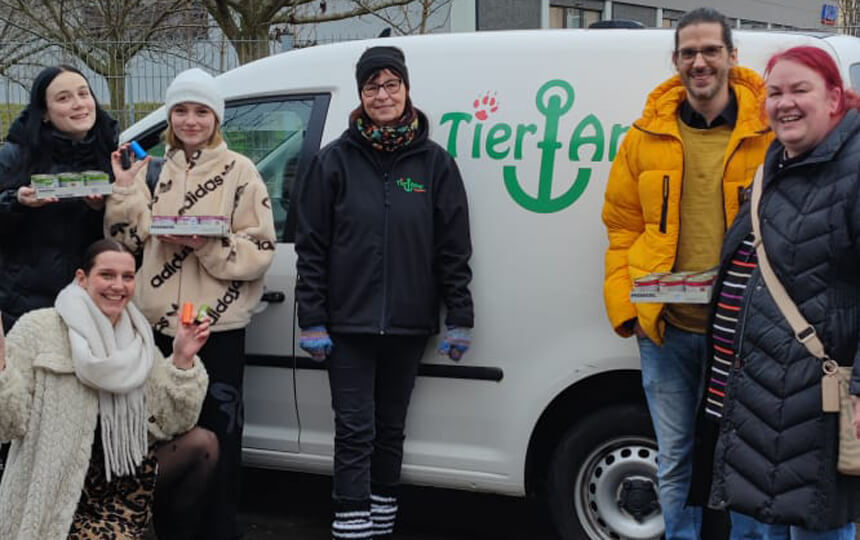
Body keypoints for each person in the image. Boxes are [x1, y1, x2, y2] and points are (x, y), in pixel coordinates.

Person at [601, 8, 773, 540]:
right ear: (675, 60)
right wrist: (627, 309)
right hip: (669, 330)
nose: (700, 62)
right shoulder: (643, 137)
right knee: (675, 460)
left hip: (747, 333)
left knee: (745, 461)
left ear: (731, 57)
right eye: (689, 53)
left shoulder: (768, 130)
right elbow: (621, 227)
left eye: (710, 51)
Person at [294, 46, 474, 539]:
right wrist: (311, 319)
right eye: (372, 86)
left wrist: (460, 315)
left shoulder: (434, 164)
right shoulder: (334, 161)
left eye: (392, 84)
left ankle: (382, 523)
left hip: (408, 322)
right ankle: (353, 525)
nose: (383, 95)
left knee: (390, 430)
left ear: (407, 89)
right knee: (355, 431)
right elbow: (311, 247)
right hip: (347, 324)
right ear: (360, 94)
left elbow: (453, 248)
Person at [105, 67, 276, 540]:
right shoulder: (154, 169)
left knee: (220, 440)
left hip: (214, 330)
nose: (190, 120)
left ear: (216, 118)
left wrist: (205, 243)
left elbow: (260, 250)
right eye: (180, 110)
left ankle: (220, 531)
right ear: (169, 115)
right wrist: (124, 191)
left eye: (201, 111)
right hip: (156, 327)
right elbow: (128, 241)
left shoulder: (240, 170)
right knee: (162, 437)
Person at [700, 45, 860, 540]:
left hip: (816, 413)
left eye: (800, 90)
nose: (784, 103)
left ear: (835, 97)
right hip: (757, 404)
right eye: (774, 93)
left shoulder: (852, 172)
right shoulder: (776, 163)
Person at [0, 239, 213, 540]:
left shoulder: (138, 339)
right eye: (107, 275)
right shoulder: (40, 328)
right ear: (81, 278)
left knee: (204, 444)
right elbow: (6, 426)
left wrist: (182, 358)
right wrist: (1, 369)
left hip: (124, 478)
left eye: (127, 277)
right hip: (62, 488)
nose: (118, 285)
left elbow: (173, 423)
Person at [0, 65, 116, 332]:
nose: (79, 105)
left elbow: (127, 234)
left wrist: (101, 209)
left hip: (93, 302)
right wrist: (16, 202)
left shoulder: (112, 155)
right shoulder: (15, 156)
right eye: (64, 98)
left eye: (83, 94)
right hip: (24, 306)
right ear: (44, 114)